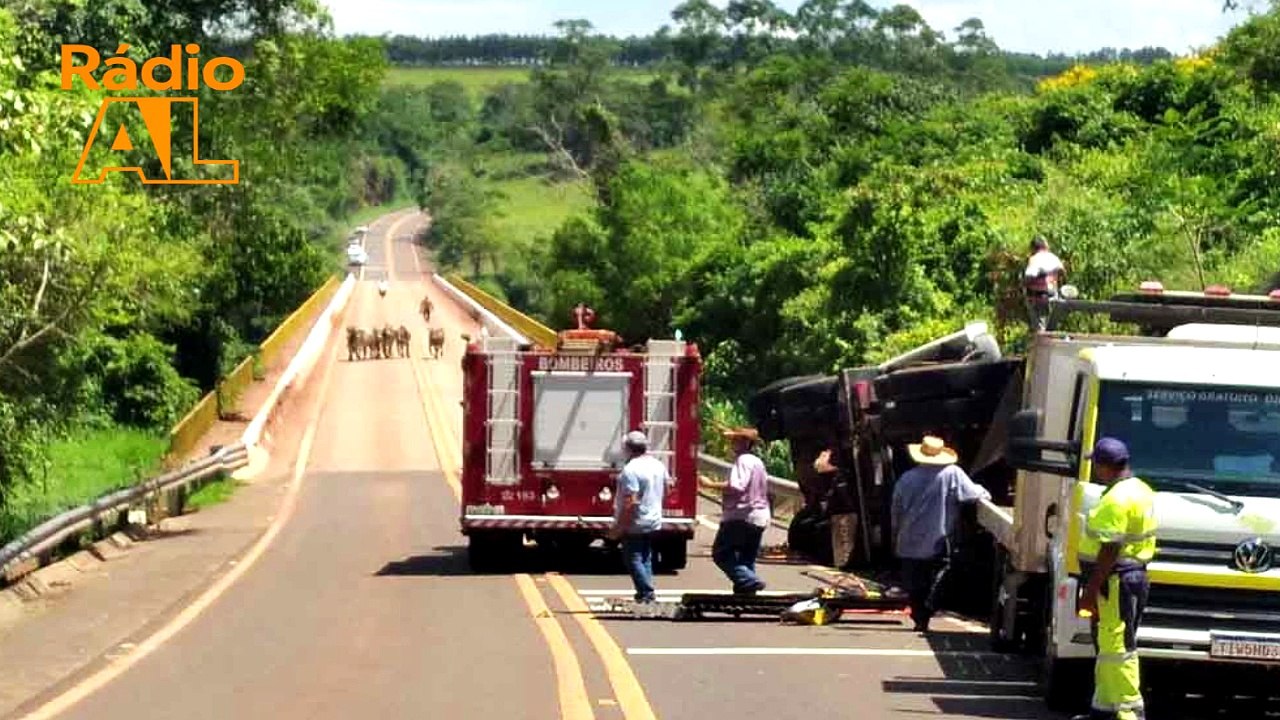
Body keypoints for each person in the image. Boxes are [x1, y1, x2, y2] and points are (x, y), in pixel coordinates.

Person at [1074, 437, 1157, 720]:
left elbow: (1110, 549)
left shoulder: (1116, 500)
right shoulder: (1141, 489)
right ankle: (1103, 708)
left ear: (1104, 465)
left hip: (1114, 581)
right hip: (1128, 578)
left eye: (1096, 463)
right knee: (1110, 646)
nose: (1094, 469)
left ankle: (1129, 711)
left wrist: (1090, 589)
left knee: (1118, 647)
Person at [890, 435, 991, 633]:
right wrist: (985, 492)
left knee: (914, 581)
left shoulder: (906, 478)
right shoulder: (951, 473)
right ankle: (928, 608)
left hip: (909, 539)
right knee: (942, 574)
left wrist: (895, 535)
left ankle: (920, 617)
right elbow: (974, 494)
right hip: (938, 538)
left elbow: (896, 510)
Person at [699, 427, 770, 594]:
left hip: (742, 515)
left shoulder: (744, 460)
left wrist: (710, 484)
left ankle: (750, 581)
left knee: (721, 553)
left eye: (736, 440)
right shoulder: (757, 462)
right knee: (746, 558)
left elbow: (737, 486)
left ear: (746, 443)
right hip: (759, 516)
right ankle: (746, 592)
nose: (732, 444)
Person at [609, 430, 667, 605]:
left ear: (628, 448)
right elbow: (668, 487)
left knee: (632, 557)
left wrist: (619, 527)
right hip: (653, 519)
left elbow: (631, 502)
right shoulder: (658, 465)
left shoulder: (631, 470)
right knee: (645, 556)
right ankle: (644, 593)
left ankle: (646, 592)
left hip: (636, 521)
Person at [1024, 236, 1066, 333]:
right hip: (1053, 296)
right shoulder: (1053, 258)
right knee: (1052, 326)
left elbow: (1030, 275)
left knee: (1040, 328)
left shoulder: (1034, 259)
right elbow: (1063, 272)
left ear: (1033, 248)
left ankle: (1043, 346)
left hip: (1038, 297)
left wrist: (1024, 284)